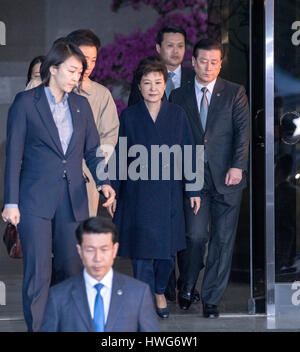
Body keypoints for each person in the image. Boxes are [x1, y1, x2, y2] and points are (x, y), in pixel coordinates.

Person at [1, 40, 115, 332]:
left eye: (80, 72)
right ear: (53, 69)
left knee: (72, 267)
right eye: (73, 71)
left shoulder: (81, 104)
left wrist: (104, 181)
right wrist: (11, 203)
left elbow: (92, 150)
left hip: (73, 199)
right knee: (38, 273)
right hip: (35, 200)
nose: (78, 77)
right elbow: (13, 156)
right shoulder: (26, 103)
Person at [109, 56, 200, 319]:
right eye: (146, 83)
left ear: (165, 85)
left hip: (168, 193)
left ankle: (160, 289)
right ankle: (147, 296)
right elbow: (120, 155)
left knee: (165, 253)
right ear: (139, 86)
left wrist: (193, 189)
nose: (152, 87)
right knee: (140, 252)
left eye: (157, 82)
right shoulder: (129, 116)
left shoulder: (177, 114)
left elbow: (189, 153)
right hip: (136, 194)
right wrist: (114, 189)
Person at [169, 39, 249, 318]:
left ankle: (212, 298)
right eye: (204, 61)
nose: (209, 66)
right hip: (193, 179)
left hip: (228, 177)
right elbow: (175, 139)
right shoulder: (178, 96)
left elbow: (242, 133)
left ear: (221, 63)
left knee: (223, 240)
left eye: (215, 61)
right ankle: (188, 285)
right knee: (195, 236)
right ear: (193, 62)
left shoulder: (235, 92)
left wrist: (238, 166)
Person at [26, 29, 120, 217]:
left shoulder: (101, 95)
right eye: (85, 58)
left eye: (94, 60)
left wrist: (83, 167)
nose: (89, 65)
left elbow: (109, 137)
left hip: (83, 183)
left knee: (78, 239)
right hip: (43, 179)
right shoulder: (38, 86)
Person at [39, 216, 159, 332]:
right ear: (80, 251)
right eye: (90, 250)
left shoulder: (138, 294)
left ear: (115, 250)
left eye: (104, 249)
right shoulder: (58, 297)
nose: (98, 258)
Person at [127, 25, 195, 106]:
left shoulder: (194, 77)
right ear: (158, 48)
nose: (176, 51)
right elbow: (134, 110)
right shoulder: (144, 76)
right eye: (170, 45)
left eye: (180, 46)